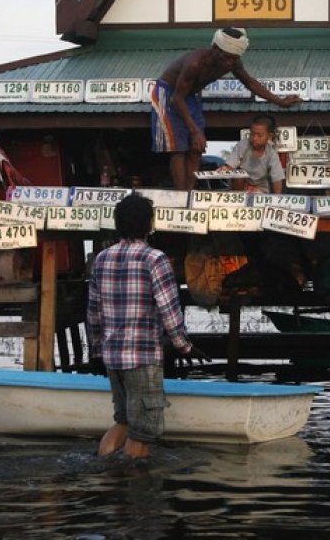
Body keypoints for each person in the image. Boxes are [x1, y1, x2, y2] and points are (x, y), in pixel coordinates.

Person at [86, 193, 209, 459]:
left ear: (118, 224)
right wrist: (185, 347)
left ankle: (103, 473)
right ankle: (134, 487)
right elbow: (170, 311)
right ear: (149, 225)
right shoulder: (155, 259)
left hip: (113, 358)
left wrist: (96, 352)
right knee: (143, 432)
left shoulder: (102, 259)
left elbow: (94, 313)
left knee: (123, 421)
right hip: (142, 358)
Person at [151, 27, 302, 191]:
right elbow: (177, 98)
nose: (229, 63)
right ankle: (180, 194)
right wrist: (194, 130)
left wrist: (279, 101)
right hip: (169, 94)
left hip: (189, 96)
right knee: (179, 148)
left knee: (197, 147)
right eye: (227, 58)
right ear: (215, 48)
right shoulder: (195, 63)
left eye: (234, 59)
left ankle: (189, 192)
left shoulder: (233, 61)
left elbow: (250, 83)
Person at [221, 114, 285, 194]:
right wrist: (224, 169)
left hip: (260, 189)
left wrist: (277, 199)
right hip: (240, 187)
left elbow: (277, 179)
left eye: (259, 135)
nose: (255, 138)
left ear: (269, 136)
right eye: (252, 134)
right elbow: (230, 165)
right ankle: (237, 198)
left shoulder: (271, 153)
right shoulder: (243, 145)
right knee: (239, 175)